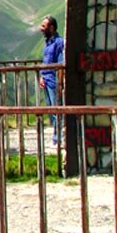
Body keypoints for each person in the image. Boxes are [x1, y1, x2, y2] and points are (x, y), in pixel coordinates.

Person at [39, 15, 65, 145]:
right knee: (51, 110)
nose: (41, 29)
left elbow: (60, 63)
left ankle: (58, 137)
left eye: (43, 26)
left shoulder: (59, 43)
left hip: (54, 81)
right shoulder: (47, 43)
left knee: (57, 109)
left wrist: (60, 81)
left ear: (52, 28)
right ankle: (57, 136)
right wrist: (42, 76)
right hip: (47, 79)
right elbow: (45, 62)